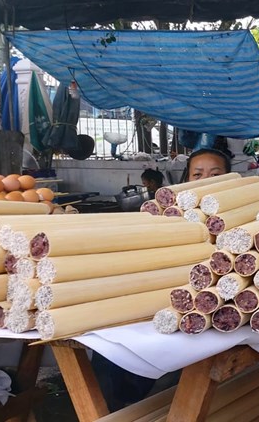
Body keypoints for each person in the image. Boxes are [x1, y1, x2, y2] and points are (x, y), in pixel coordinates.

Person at [94, 150, 232, 411]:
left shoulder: (239, 213)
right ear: (186, 179)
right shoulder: (171, 214)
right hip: (161, 299)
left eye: (215, 174)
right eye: (197, 174)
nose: (205, 180)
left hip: (206, 308)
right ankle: (115, 407)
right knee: (110, 350)